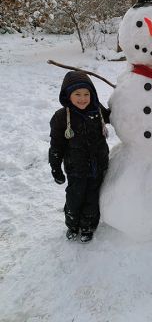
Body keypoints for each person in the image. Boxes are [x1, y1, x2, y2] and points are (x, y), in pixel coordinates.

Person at [49, 70, 110, 243]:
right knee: (74, 197)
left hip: (97, 167)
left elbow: (118, 116)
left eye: (86, 94)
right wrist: (55, 167)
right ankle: (73, 225)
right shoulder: (61, 117)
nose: (82, 98)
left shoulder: (97, 112)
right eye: (77, 94)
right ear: (68, 95)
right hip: (76, 169)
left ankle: (88, 226)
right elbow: (56, 146)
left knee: (92, 197)